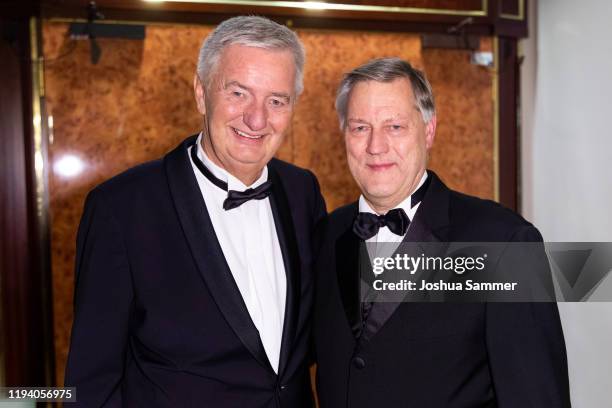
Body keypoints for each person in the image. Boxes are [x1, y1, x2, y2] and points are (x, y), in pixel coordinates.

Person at [65, 16, 326, 407]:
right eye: (238, 93)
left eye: (276, 100)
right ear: (201, 93)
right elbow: (91, 382)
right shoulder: (120, 208)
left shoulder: (302, 190)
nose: (257, 119)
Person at [313, 58, 570, 407]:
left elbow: (537, 398)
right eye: (360, 127)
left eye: (395, 127)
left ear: (429, 130)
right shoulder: (324, 235)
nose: (375, 146)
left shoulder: (504, 242)